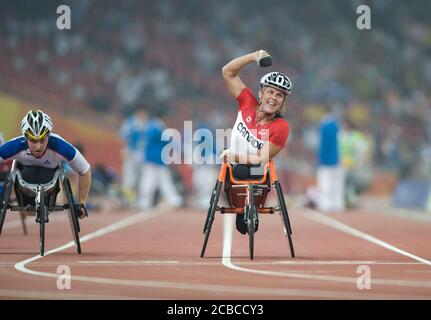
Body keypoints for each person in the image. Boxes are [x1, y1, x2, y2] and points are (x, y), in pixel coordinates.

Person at [219, 50, 292, 234]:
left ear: (283, 102)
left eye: (279, 95)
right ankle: (242, 209)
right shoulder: (247, 103)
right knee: (234, 170)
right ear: (261, 92)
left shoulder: (281, 126)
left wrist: (233, 154)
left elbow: (261, 158)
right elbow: (228, 72)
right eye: (270, 92)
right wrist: (254, 56)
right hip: (231, 175)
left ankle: (250, 208)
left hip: (257, 175)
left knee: (248, 169)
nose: (273, 98)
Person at [0, 110, 91, 219]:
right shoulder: (15, 145)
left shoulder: (60, 146)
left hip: (50, 184)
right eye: (33, 140)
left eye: (42, 140)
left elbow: (85, 170)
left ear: (49, 135)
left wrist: (82, 203)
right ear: (25, 137)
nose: (38, 146)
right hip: (24, 184)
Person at [136, 107, 183, 210]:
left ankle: (172, 200)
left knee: (160, 181)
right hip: (156, 159)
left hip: (154, 159)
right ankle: (146, 202)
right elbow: (166, 140)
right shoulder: (156, 126)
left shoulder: (149, 126)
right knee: (151, 181)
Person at [119, 107, 148, 204]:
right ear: (138, 112)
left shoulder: (146, 123)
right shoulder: (130, 123)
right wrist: (125, 149)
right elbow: (124, 136)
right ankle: (127, 200)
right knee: (129, 177)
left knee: (141, 178)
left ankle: (138, 199)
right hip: (131, 154)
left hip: (142, 155)